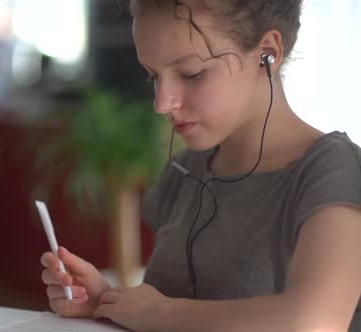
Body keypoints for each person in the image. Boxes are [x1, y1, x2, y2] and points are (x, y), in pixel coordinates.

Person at [40, 0, 361, 331]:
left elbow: (313, 322)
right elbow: (176, 312)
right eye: (153, 76)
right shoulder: (184, 172)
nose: (162, 103)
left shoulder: (333, 170)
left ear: (267, 52)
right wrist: (111, 304)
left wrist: (157, 313)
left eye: (192, 73)